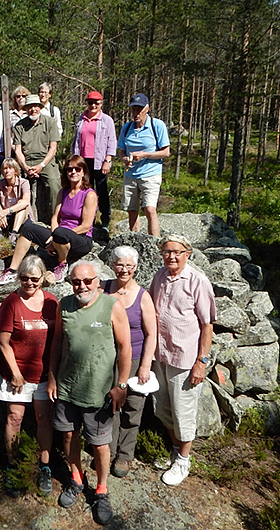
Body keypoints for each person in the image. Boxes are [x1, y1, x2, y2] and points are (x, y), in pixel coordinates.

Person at [47, 260, 131, 526]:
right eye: (76, 281)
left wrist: (121, 385)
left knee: (100, 444)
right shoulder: (65, 305)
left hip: (100, 391)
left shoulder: (112, 306)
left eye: (87, 281)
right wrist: (52, 378)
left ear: (97, 281)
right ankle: (76, 478)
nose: (81, 286)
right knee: (69, 435)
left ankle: (102, 490)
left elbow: (125, 346)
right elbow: (58, 342)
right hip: (68, 387)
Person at [150, 235, 216, 486]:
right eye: (167, 251)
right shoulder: (160, 276)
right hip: (160, 354)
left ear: (187, 253)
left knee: (183, 410)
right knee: (162, 407)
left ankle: (183, 460)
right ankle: (175, 451)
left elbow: (207, 324)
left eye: (177, 252)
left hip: (185, 358)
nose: (171, 256)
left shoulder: (197, 280)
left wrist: (202, 361)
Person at [0, 256, 57, 498]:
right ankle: (12, 465)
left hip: (44, 373)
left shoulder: (52, 302)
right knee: (14, 417)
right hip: (16, 371)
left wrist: (53, 374)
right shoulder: (11, 302)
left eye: (34, 279)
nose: (29, 283)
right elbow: (2, 342)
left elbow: (58, 340)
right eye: (24, 278)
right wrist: (15, 373)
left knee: (44, 418)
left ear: (43, 278)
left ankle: (44, 465)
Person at [0, 155, 97, 285]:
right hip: (59, 236)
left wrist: (56, 237)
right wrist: (53, 236)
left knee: (60, 233)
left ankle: (62, 264)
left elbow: (85, 226)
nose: (73, 172)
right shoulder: (63, 192)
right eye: (69, 169)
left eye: (77, 169)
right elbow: (55, 216)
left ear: (83, 172)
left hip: (80, 239)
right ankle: (12, 270)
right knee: (28, 228)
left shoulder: (89, 194)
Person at [102, 246, 156, 478]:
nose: (123, 270)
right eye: (119, 264)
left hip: (134, 359)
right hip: (107, 357)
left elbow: (152, 333)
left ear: (135, 267)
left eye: (128, 266)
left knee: (133, 407)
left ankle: (124, 455)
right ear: (112, 265)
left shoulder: (143, 296)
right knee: (108, 405)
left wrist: (145, 365)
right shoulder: (103, 288)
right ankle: (107, 450)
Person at [117, 93, 170, 236]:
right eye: (133, 109)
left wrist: (145, 154)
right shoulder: (127, 128)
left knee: (149, 209)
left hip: (150, 173)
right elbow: (121, 151)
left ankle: (154, 243)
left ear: (147, 108)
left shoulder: (156, 125)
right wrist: (125, 159)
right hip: (130, 174)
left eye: (139, 109)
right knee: (131, 210)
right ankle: (135, 241)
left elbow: (165, 152)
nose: (136, 113)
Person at [71, 91, 117, 232]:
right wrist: (74, 160)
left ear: (101, 103)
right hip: (83, 163)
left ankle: (104, 221)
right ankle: (85, 220)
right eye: (90, 102)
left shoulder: (107, 120)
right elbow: (76, 141)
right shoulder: (81, 119)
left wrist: (108, 160)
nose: (93, 105)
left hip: (99, 161)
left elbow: (112, 141)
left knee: (101, 191)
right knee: (84, 191)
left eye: (96, 102)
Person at [13, 94, 61, 224]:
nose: (33, 109)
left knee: (53, 184)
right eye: (29, 107)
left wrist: (41, 166)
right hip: (26, 161)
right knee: (9, 181)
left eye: (35, 106)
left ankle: (55, 219)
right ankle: (14, 221)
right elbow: (18, 150)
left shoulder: (50, 122)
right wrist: (25, 167)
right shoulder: (19, 126)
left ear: (40, 107)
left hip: (45, 160)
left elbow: (53, 148)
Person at [0, 157, 32, 245]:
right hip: (5, 219)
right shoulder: (0, 183)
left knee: (21, 204)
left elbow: (26, 202)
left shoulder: (24, 182)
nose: (7, 171)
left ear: (16, 171)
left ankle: (14, 234)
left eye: (10, 168)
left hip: (21, 218)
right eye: (5, 168)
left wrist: (6, 211)